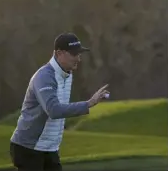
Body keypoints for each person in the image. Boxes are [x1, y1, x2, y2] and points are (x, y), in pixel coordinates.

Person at [10, 32, 109, 171]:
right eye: (74, 54)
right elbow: (54, 110)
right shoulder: (45, 76)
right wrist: (88, 104)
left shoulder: (67, 75)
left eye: (79, 54)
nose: (78, 59)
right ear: (59, 53)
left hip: (50, 148)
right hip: (29, 148)